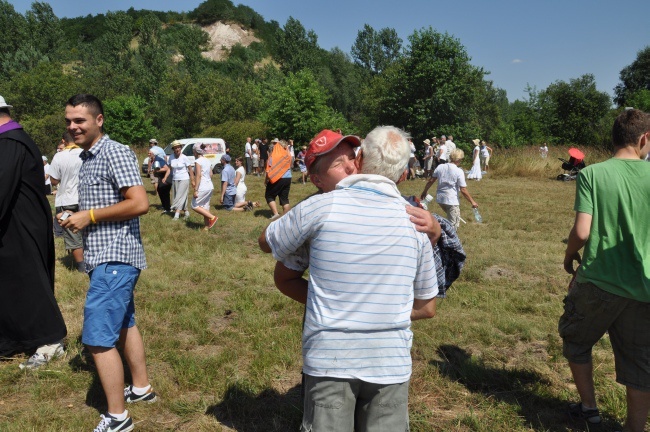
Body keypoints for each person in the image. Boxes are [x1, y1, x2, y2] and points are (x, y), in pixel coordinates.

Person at [259, 126, 438, 432]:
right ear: (405, 172)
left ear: (361, 158)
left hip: (331, 357)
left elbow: (267, 244)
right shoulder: (417, 222)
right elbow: (427, 307)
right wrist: (380, 310)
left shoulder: (317, 209)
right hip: (390, 360)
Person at [59, 94, 155, 432]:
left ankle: (118, 418)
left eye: (80, 120)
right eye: (69, 121)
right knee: (125, 322)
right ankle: (141, 388)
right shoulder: (87, 157)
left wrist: (91, 216)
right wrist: (77, 216)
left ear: (99, 120)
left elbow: (139, 202)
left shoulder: (114, 151)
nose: (72, 126)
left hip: (116, 256)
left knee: (98, 337)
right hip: (105, 257)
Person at [560, 109, 650, 432]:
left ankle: (589, 410)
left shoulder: (592, 175)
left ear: (613, 139)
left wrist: (570, 257)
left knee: (575, 339)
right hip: (643, 287)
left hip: (598, 280)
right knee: (640, 364)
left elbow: (582, 232)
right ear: (644, 139)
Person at [0, 95, 67, 370]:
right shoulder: (8, 140)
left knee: (29, 282)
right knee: (9, 285)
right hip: (12, 226)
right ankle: (14, 340)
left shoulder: (10, 142)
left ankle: (50, 340)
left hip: (21, 227)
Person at [48, 131, 85, 273]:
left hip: (66, 200)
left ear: (63, 141)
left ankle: (81, 266)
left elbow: (54, 180)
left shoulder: (59, 156)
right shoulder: (85, 153)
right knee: (87, 230)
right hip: (85, 198)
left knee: (72, 232)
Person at [421, 149, 479, 229]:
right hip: (451, 200)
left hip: (440, 199)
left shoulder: (440, 167)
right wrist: (472, 202)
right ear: (459, 159)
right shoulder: (459, 171)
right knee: (454, 225)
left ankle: (443, 233)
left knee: (450, 219)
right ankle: (448, 239)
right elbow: (463, 189)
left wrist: (424, 191)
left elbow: (431, 181)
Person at [190, 143, 218, 230]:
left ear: (195, 151)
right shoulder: (207, 160)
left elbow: (198, 175)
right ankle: (206, 227)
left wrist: (196, 189)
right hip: (210, 185)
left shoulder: (198, 161)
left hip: (203, 186)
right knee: (205, 206)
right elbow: (211, 174)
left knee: (194, 205)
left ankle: (212, 217)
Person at [265, 139, 292, 220]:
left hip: (277, 178)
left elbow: (268, 169)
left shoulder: (273, 155)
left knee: (269, 195)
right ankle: (287, 216)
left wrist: (266, 179)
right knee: (284, 198)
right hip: (288, 178)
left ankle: (276, 214)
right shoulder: (287, 154)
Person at [168, 140, 191, 221]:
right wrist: (165, 177)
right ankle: (186, 212)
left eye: (178, 147)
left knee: (179, 196)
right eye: (175, 148)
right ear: (173, 149)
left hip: (184, 178)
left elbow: (190, 169)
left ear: (180, 148)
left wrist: (193, 180)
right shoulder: (171, 157)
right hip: (175, 179)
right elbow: (169, 168)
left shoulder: (184, 157)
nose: (177, 149)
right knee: (178, 196)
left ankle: (176, 215)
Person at [150, 148, 172, 214]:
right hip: (161, 177)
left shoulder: (158, 159)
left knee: (164, 192)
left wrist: (156, 171)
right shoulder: (154, 160)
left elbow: (166, 168)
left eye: (150, 153)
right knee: (159, 190)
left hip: (167, 177)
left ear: (153, 154)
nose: (148, 154)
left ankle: (168, 208)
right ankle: (164, 205)